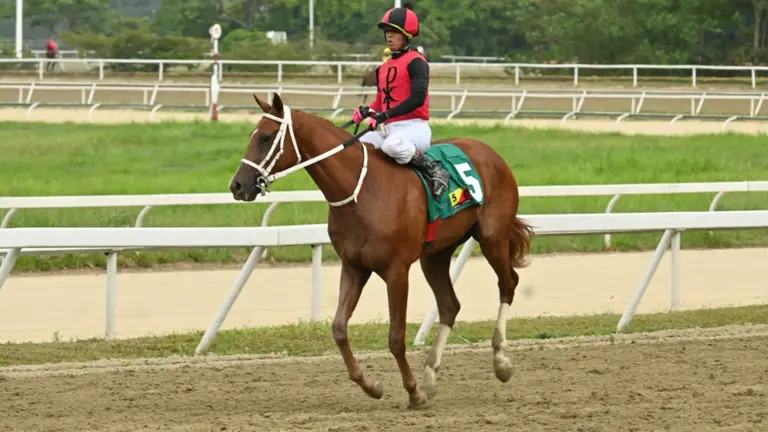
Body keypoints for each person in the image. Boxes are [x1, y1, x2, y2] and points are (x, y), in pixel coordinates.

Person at [351, 2, 449, 199]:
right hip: (389, 129)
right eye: (387, 32)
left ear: (407, 36)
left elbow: (418, 98)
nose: (389, 36)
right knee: (357, 145)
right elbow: (380, 103)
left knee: (391, 146)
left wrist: (385, 115)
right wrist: (366, 111)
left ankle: (435, 170)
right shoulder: (383, 68)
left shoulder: (417, 62)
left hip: (414, 128)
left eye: (394, 32)